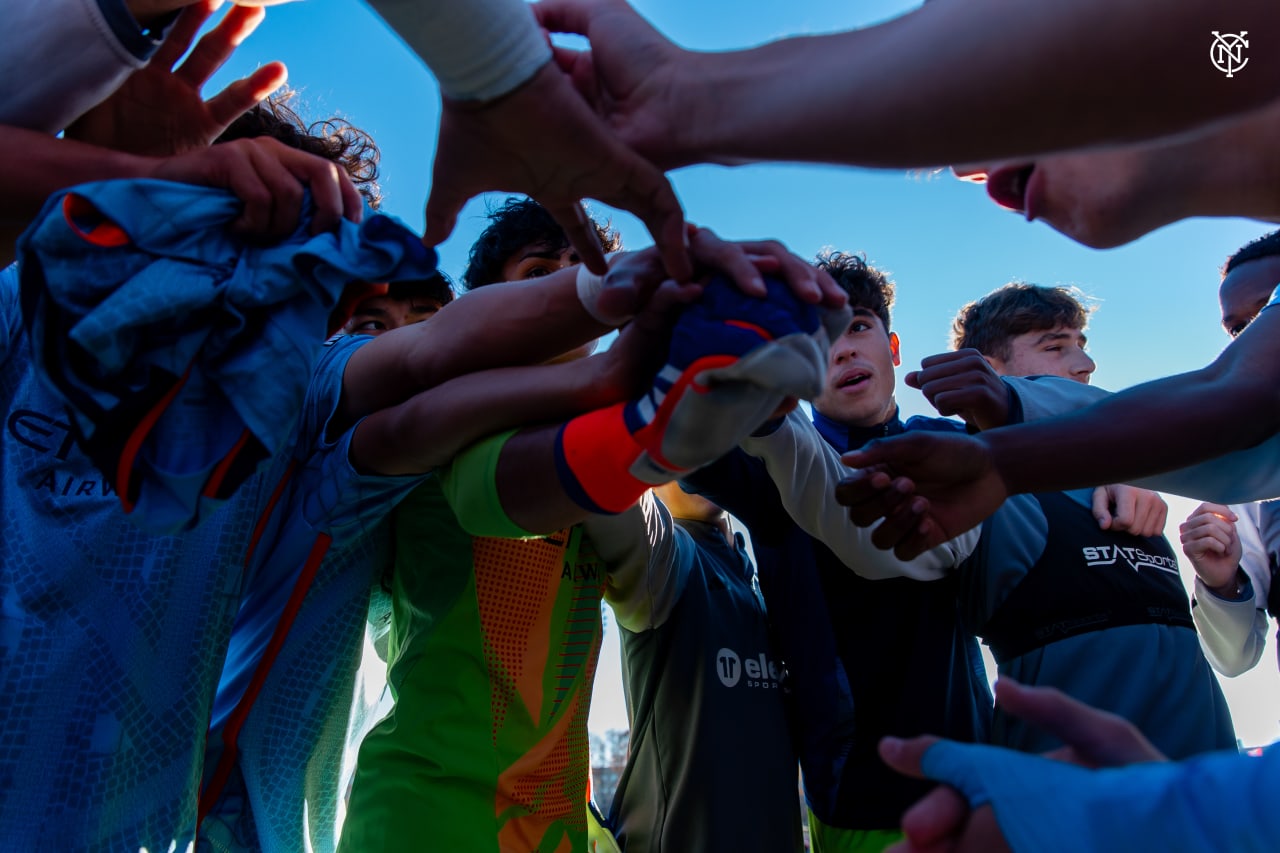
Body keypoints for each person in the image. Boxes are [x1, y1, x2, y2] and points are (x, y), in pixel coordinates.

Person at [339, 204, 834, 851]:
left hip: (556, 828)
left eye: (585, 270)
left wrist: (726, 402)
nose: (566, 292)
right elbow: (487, 491)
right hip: (422, 818)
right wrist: (662, 423)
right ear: (490, 306)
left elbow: (648, 557)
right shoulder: (446, 423)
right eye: (540, 271)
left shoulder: (620, 473)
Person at [680, 251, 997, 852]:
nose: (843, 350)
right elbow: (689, 436)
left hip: (976, 791)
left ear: (894, 347)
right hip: (851, 805)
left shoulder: (962, 446)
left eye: (856, 326)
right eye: (813, 340)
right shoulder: (763, 464)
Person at [1181, 231, 1280, 676]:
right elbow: (1234, 657)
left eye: (1269, 310)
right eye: (1237, 328)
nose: (1248, 340)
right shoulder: (1248, 463)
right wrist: (1222, 581)